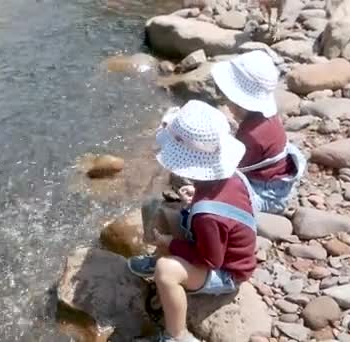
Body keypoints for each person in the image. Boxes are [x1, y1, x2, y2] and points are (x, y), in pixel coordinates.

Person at [128, 100, 257, 342]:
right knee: (158, 208)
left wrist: (171, 245)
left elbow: (211, 259)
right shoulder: (228, 177)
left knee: (166, 271)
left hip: (226, 271)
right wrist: (193, 199)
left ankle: (177, 334)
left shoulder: (207, 216)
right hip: (213, 240)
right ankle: (156, 261)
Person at [211, 50, 306, 214]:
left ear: (238, 101)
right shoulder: (264, 118)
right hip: (276, 179)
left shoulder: (251, 135)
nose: (225, 101)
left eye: (226, 96)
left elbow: (229, 169)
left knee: (213, 195)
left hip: (268, 194)